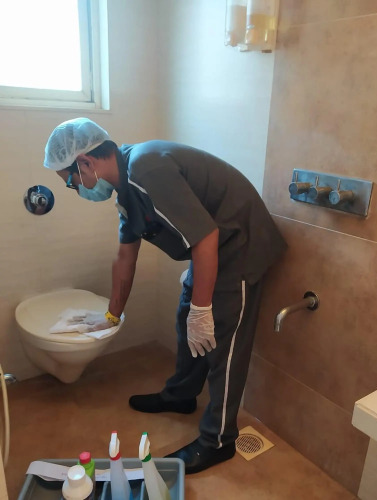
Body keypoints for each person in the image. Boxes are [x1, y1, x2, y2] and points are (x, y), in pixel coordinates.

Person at [43, 117, 286, 474]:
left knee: (224, 341)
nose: (75, 189)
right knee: (185, 317)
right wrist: (111, 315)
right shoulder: (126, 190)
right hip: (213, 248)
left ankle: (218, 441)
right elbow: (125, 257)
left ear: (85, 162)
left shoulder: (146, 170)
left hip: (242, 246)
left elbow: (206, 237)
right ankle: (181, 395)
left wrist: (204, 309)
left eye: (71, 182)